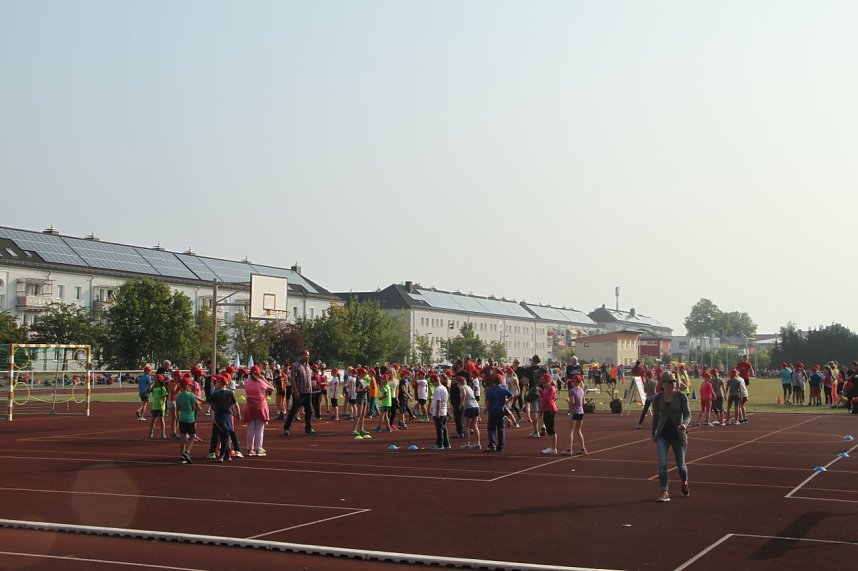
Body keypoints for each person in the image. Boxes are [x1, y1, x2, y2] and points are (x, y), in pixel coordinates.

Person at [652, 371, 691, 502]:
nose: (673, 384)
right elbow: (656, 418)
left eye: (674, 381)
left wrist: (684, 425)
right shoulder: (657, 399)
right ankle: (664, 491)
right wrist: (653, 433)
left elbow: (688, 414)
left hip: (678, 435)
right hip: (662, 434)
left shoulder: (681, 396)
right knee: (662, 464)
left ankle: (684, 481)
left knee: (681, 465)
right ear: (663, 384)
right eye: (670, 382)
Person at [208, 375, 242, 462]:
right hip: (228, 415)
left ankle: (222, 454)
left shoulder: (216, 393)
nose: (215, 383)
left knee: (222, 436)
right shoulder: (230, 393)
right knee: (227, 434)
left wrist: (195, 397)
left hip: (220, 416)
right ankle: (229, 453)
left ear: (220, 383)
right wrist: (238, 413)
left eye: (216, 382)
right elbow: (235, 403)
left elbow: (209, 403)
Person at [242, 365, 273, 456]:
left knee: (251, 428)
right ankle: (258, 449)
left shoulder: (246, 383)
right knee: (260, 429)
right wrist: (263, 379)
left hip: (250, 407)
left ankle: (249, 449)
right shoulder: (261, 383)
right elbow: (272, 388)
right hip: (261, 407)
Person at [283, 350, 316, 436]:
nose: (308, 357)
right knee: (294, 410)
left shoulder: (307, 365)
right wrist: (296, 391)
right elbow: (293, 379)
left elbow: (309, 377)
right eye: (306, 355)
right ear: (301, 355)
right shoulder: (296, 365)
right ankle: (286, 428)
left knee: (309, 411)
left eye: (308, 355)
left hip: (308, 392)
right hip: (300, 392)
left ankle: (308, 429)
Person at [484, 372, 513, 453]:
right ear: (500, 381)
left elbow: (487, 401)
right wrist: (506, 402)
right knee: (501, 429)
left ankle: (492, 445)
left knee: (491, 429)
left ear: (494, 381)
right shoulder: (503, 389)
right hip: (501, 410)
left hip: (492, 411)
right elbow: (512, 396)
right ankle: (500, 446)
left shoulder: (490, 390)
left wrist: (486, 409)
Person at [176, 377, 201, 463]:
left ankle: (182, 455)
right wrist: (198, 408)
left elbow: (178, 408)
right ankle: (187, 451)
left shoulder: (178, 396)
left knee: (182, 436)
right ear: (186, 386)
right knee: (193, 436)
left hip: (182, 417)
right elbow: (195, 407)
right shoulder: (191, 395)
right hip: (190, 418)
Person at [457, 374, 481, 450]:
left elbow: (463, 394)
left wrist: (461, 404)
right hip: (476, 406)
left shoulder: (462, 387)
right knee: (475, 426)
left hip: (469, 407)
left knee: (466, 426)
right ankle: (477, 443)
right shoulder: (469, 387)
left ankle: (467, 443)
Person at [564, 374, 586, 456]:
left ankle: (569, 449)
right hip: (581, 412)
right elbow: (583, 403)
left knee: (570, 431)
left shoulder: (572, 391)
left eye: (572, 382)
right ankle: (583, 448)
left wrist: (567, 401)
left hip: (574, 412)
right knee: (578, 431)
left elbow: (572, 402)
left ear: (574, 382)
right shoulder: (582, 390)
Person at [539, 372, 559, 455]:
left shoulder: (551, 389)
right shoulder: (545, 389)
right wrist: (541, 411)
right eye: (542, 382)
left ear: (549, 381)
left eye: (544, 382)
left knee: (551, 429)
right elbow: (543, 402)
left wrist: (541, 393)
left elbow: (548, 399)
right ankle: (551, 447)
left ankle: (554, 448)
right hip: (546, 410)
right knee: (548, 429)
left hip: (551, 410)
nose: (543, 383)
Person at [430, 373, 450, 450]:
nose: (432, 384)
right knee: (444, 428)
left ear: (435, 381)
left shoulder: (438, 389)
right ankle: (446, 443)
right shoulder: (444, 388)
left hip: (439, 412)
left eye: (432, 382)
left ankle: (440, 444)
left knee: (439, 429)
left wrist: (437, 413)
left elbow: (438, 401)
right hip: (444, 411)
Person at [147, 374, 168, 439]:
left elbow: (165, 398)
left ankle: (163, 433)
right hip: (155, 406)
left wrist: (162, 405)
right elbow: (148, 391)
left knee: (161, 420)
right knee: (153, 420)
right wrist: (149, 385)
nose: (154, 380)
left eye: (155, 379)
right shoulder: (154, 387)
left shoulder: (162, 388)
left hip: (161, 406)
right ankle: (151, 432)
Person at [351, 369, 371, 439]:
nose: (365, 375)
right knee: (359, 415)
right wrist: (364, 389)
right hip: (360, 398)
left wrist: (368, 389)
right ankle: (354, 430)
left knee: (363, 414)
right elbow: (356, 390)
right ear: (361, 374)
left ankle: (361, 429)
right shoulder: (358, 381)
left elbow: (367, 389)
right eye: (364, 374)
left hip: (365, 398)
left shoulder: (364, 381)